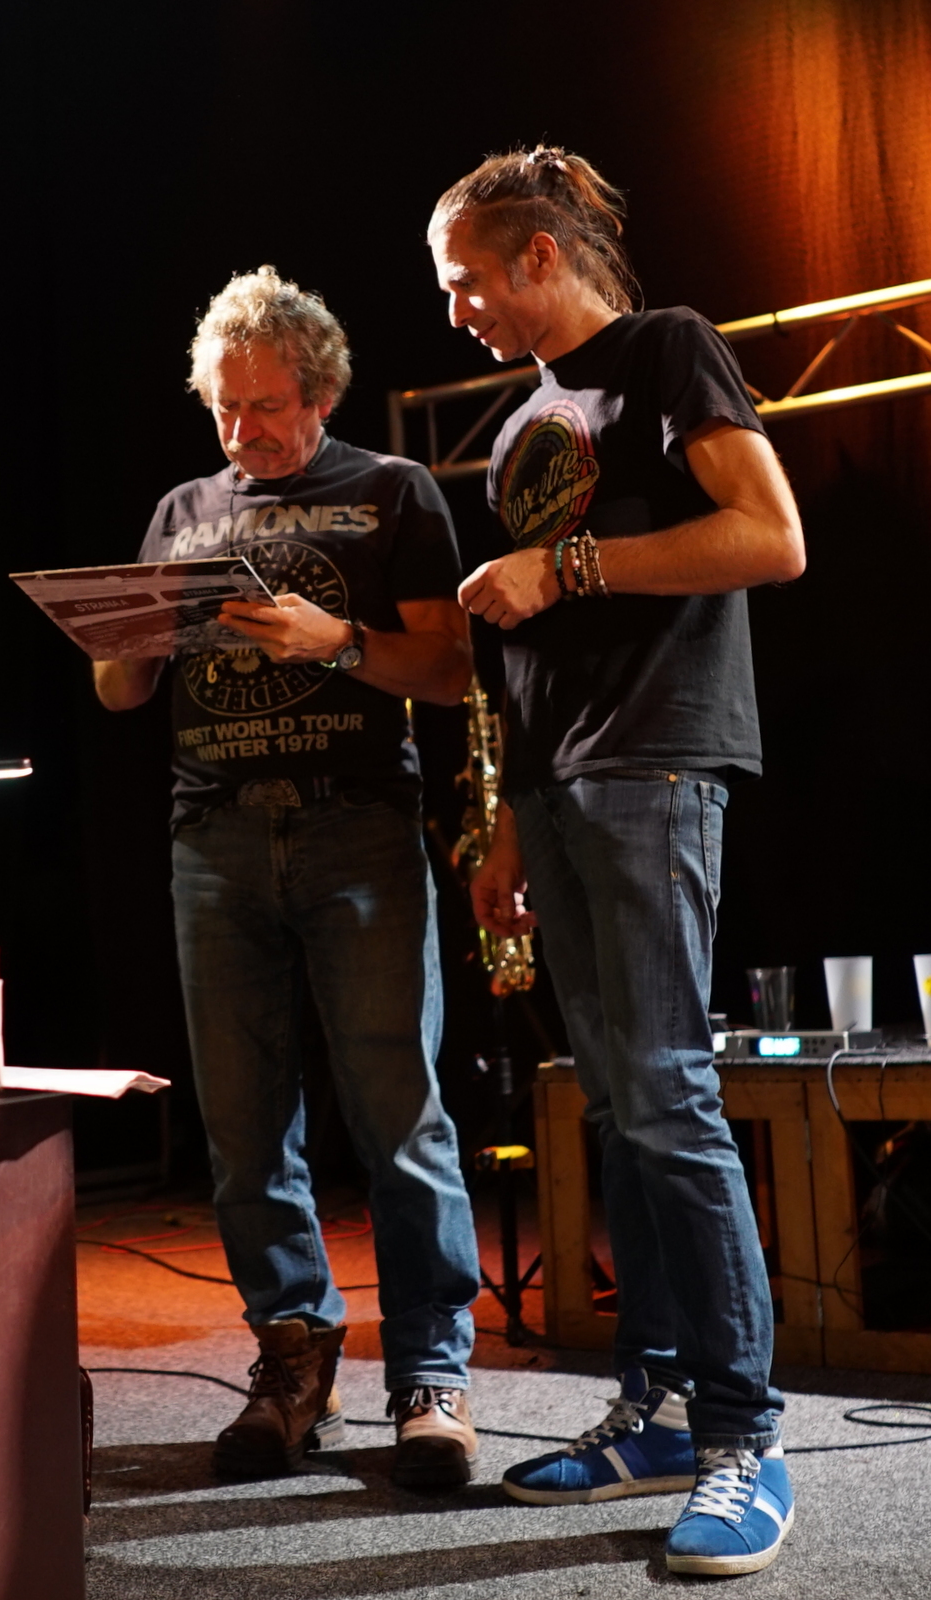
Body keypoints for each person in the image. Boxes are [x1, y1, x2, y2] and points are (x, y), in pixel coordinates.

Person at [428, 148, 806, 1576]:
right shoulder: (524, 423)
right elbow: (524, 656)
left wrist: (568, 566)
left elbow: (770, 536)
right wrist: (505, 822)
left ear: (539, 254)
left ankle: (743, 1437)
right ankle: (653, 1407)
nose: (455, 308)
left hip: (656, 761)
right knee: (615, 1105)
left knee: (665, 1091)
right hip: (561, 784)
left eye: (466, 278)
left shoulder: (666, 350)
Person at [94, 265, 480, 1489]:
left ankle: (431, 1374)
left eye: (265, 406)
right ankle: (293, 1360)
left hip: (355, 825)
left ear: (320, 394)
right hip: (213, 834)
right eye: (224, 407)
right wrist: (127, 636)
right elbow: (120, 691)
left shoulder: (392, 490)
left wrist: (339, 642)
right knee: (244, 1125)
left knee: (397, 1113)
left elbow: (452, 671)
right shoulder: (181, 508)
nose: (242, 431)